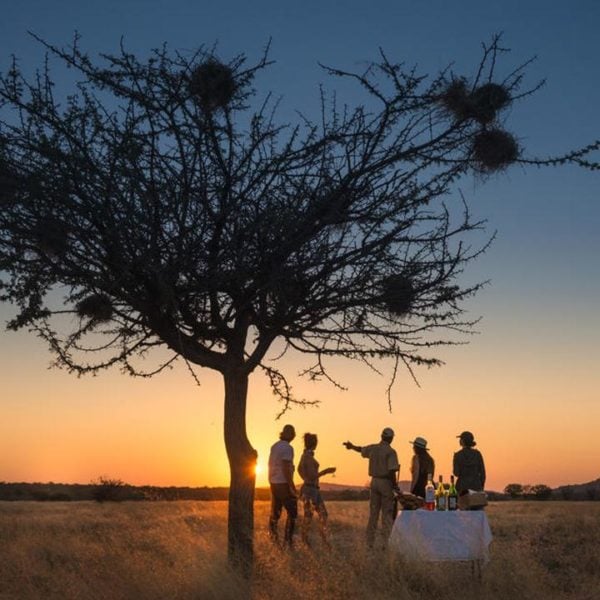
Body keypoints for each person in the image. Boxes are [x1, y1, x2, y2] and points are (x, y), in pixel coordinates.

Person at [343, 427, 400, 548]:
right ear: (391, 439)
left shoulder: (374, 448)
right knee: (387, 515)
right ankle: (385, 544)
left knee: (373, 514)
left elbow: (361, 449)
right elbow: (391, 472)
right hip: (385, 483)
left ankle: (369, 543)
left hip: (373, 482)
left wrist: (351, 446)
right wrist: (395, 486)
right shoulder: (391, 452)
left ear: (381, 436)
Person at [298, 432, 336, 546]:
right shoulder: (308, 457)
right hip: (311, 489)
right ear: (314, 443)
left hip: (312, 489)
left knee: (318, 514)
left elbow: (300, 470)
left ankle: (321, 538)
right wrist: (326, 471)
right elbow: (311, 476)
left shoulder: (304, 456)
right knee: (314, 515)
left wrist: (305, 479)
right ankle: (311, 539)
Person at [268, 424, 298, 547]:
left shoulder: (274, 446)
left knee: (276, 513)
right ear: (291, 435)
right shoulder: (288, 448)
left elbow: (271, 464)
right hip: (283, 483)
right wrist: (291, 485)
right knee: (293, 513)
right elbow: (285, 467)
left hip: (273, 483)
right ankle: (288, 541)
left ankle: (274, 540)